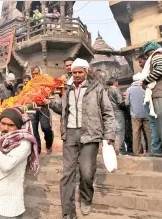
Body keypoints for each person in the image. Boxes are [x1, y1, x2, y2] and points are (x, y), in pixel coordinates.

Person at [44, 58, 116, 219]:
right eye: (74, 72)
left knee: (87, 172)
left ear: (86, 72)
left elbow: (108, 113)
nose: (76, 75)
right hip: (70, 135)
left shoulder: (97, 88)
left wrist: (109, 134)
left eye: (79, 72)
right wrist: (49, 103)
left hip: (90, 135)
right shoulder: (68, 89)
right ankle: (68, 212)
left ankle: (86, 198)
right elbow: (64, 109)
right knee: (67, 174)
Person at [137, 53, 161, 154]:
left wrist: (144, 82)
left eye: (140, 61)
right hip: (149, 99)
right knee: (152, 126)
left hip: (154, 98)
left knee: (154, 124)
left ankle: (156, 149)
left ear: (146, 60)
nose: (139, 64)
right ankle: (155, 149)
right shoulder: (146, 70)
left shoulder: (151, 70)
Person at [126, 74, 152, 156]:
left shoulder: (129, 89)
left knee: (136, 133)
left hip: (135, 115)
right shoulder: (145, 88)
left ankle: (137, 152)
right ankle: (151, 151)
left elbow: (127, 103)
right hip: (146, 113)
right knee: (148, 133)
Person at [30, 66, 54, 154]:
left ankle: (49, 144)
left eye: (37, 73)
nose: (35, 76)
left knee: (46, 128)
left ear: (40, 73)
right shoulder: (29, 84)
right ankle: (38, 151)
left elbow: (52, 88)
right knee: (34, 130)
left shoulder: (45, 81)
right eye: (34, 74)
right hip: (33, 109)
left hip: (44, 108)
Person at [107, 77, 127, 155]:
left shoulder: (107, 90)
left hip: (110, 112)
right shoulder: (116, 89)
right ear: (115, 82)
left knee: (112, 131)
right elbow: (120, 102)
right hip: (118, 112)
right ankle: (121, 150)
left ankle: (112, 149)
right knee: (120, 131)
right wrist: (125, 107)